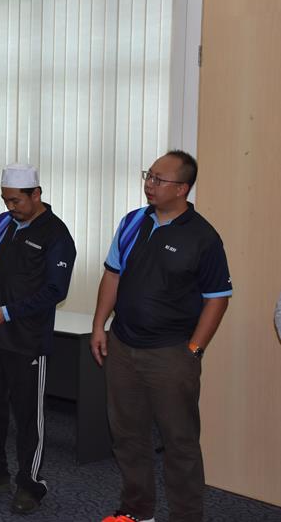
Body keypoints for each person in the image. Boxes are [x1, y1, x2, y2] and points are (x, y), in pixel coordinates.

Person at [90, 150, 232, 522]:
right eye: (148, 175)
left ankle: (186, 516)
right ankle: (137, 511)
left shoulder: (203, 237)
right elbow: (113, 275)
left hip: (171, 354)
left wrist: (194, 349)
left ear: (182, 188)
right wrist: (99, 325)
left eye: (158, 179)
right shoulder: (132, 222)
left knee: (179, 442)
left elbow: (217, 298)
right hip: (123, 345)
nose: (149, 184)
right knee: (127, 436)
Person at [0, 164, 76, 515]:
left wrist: (7, 313)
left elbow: (55, 290)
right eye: (5, 200)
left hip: (28, 341)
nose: (10, 207)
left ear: (36, 194)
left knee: (28, 418)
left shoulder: (56, 234)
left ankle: (31, 485)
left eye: (16, 201)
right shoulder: (2, 223)